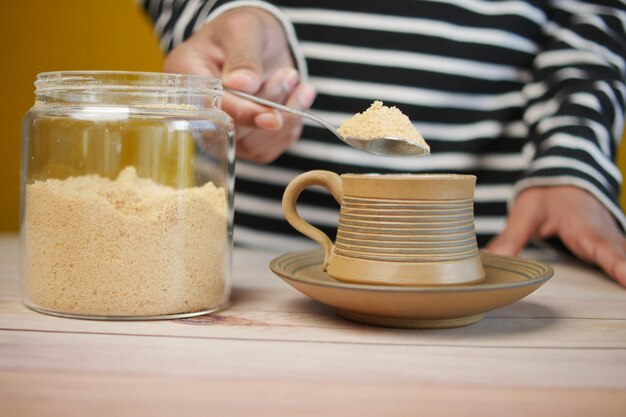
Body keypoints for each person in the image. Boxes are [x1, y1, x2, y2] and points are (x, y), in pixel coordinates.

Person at [140, 0, 626, 287]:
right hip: (257, 269)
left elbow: (596, 22)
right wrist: (221, 18)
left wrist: (572, 160)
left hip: (497, 253)